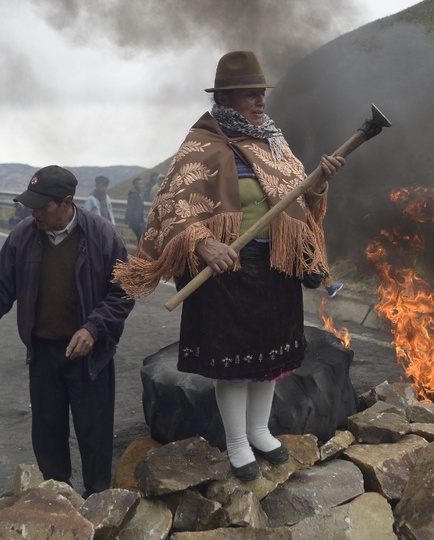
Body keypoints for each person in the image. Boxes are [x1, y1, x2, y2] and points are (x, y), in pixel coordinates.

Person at [113, 51, 345, 481]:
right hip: (225, 270)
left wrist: (320, 184)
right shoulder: (203, 144)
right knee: (235, 363)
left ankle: (259, 431)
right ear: (226, 96)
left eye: (262, 94)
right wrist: (203, 245)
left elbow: (298, 205)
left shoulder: (274, 141)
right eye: (250, 95)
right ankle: (237, 442)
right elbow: (174, 207)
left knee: (272, 353)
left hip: (275, 265)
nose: (260, 102)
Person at [0, 165, 134, 497]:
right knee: (48, 436)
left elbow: (123, 292)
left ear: (66, 202)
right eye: (30, 205)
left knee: (94, 434)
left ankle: (99, 502)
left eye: (42, 206)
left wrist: (93, 328)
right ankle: (58, 501)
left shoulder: (103, 236)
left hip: (90, 356)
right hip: (44, 354)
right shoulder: (23, 236)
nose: (34, 212)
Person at [125, 177, 146, 245]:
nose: (142, 186)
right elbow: (130, 209)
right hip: (136, 223)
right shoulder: (133, 196)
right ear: (135, 185)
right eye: (140, 184)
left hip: (140, 222)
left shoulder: (139, 195)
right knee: (141, 240)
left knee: (141, 240)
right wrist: (130, 221)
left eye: (142, 184)